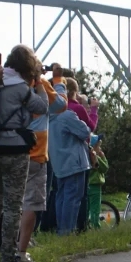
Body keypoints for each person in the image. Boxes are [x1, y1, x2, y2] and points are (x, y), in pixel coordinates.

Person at [0, 45, 49, 262]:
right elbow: (42, 107)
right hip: (13, 148)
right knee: (13, 205)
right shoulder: (20, 87)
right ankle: (8, 258)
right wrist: (40, 84)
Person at [17, 80, 66, 262]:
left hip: (12, 149)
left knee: (11, 202)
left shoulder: (8, 83)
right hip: (36, 152)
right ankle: (21, 250)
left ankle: (3, 245)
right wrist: (59, 82)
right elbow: (60, 106)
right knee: (32, 203)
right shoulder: (40, 84)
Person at [48, 81, 92, 237]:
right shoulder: (67, 115)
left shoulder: (47, 117)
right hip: (75, 162)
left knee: (61, 196)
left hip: (59, 163)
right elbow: (85, 131)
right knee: (73, 198)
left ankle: (61, 228)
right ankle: (68, 231)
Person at [86, 135, 109, 228]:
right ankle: (96, 226)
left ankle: (85, 225)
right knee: (95, 208)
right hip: (95, 185)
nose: (100, 148)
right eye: (99, 146)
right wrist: (103, 157)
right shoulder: (95, 157)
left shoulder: (86, 156)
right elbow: (104, 168)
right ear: (94, 147)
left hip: (87, 184)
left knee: (86, 208)